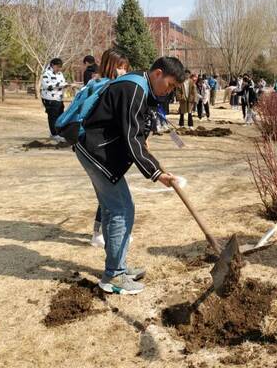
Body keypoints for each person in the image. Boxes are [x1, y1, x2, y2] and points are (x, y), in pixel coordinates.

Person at [75, 56, 185, 295]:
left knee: (114, 208)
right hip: (97, 153)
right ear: (158, 73)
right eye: (170, 85)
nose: (169, 91)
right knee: (121, 209)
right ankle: (114, 275)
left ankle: (118, 267)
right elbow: (130, 138)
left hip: (97, 151)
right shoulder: (134, 88)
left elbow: (134, 130)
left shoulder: (140, 87)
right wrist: (156, 173)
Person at [87, 49, 130, 249]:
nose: (122, 71)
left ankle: (103, 233)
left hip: (100, 150)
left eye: (125, 68)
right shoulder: (103, 87)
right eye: (119, 67)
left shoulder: (102, 85)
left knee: (106, 197)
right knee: (110, 200)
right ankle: (100, 234)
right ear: (109, 65)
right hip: (98, 151)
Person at [41, 58, 67, 142]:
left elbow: (63, 82)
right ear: (52, 65)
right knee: (52, 117)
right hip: (50, 99)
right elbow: (47, 86)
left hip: (59, 98)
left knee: (60, 116)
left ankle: (59, 133)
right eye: (58, 66)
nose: (59, 68)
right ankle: (54, 134)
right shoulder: (46, 73)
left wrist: (66, 85)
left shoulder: (60, 74)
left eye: (60, 67)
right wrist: (62, 85)